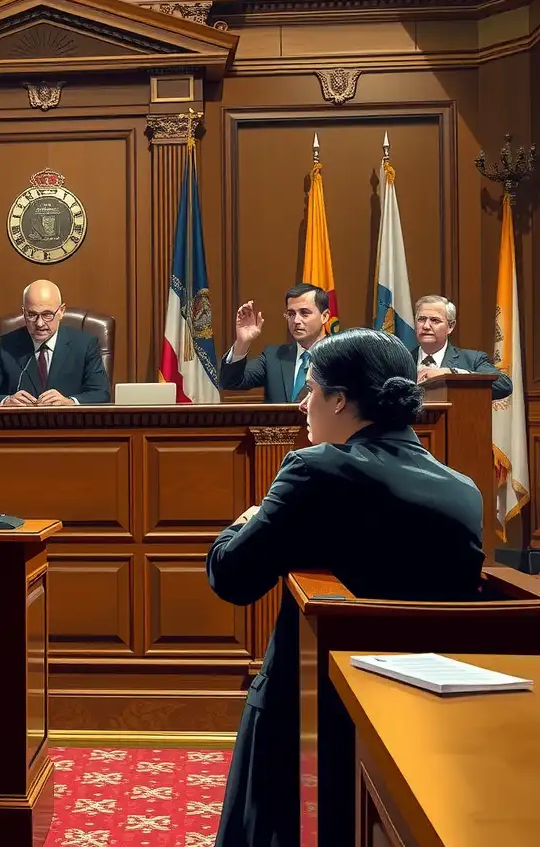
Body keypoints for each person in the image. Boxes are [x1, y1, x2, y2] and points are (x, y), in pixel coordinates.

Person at [207, 328, 484, 847]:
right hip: (430, 723)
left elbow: (233, 577)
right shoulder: (463, 488)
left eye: (311, 389)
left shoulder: (316, 469)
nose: (302, 404)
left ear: (340, 400)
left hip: (309, 717)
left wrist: (245, 522)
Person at [0, 280, 110, 405]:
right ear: (23, 312)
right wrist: (6, 401)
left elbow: (102, 394)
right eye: (32, 315)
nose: (39, 323)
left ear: (61, 311)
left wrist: (70, 402)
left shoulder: (85, 344)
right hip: (20, 427)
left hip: (68, 426)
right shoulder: (3, 346)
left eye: (47, 315)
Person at [219, 283, 330, 404]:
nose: (296, 321)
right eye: (291, 314)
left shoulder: (343, 357)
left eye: (304, 313)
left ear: (324, 316)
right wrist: (242, 342)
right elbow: (231, 382)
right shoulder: (274, 356)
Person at [413, 294, 511, 399]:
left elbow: (503, 385)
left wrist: (451, 373)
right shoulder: (400, 361)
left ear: (450, 326)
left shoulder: (472, 360)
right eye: (421, 319)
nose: (426, 326)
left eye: (435, 320)